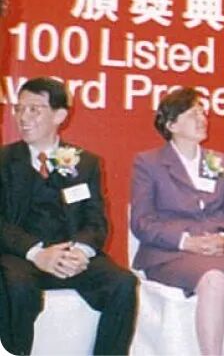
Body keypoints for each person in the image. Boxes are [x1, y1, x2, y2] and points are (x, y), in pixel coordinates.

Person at [0, 77, 137, 355]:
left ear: (59, 115)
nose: (23, 117)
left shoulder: (84, 162)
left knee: (122, 284)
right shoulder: (4, 160)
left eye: (34, 109)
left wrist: (80, 251)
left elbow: (96, 221)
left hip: (70, 255)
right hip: (20, 256)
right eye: (19, 108)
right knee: (15, 288)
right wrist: (36, 253)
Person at [130, 87, 224, 355]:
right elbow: (142, 222)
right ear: (171, 125)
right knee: (213, 281)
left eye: (203, 112)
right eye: (193, 114)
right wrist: (186, 242)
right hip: (171, 252)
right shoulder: (148, 162)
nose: (203, 119)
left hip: (218, 250)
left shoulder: (219, 161)